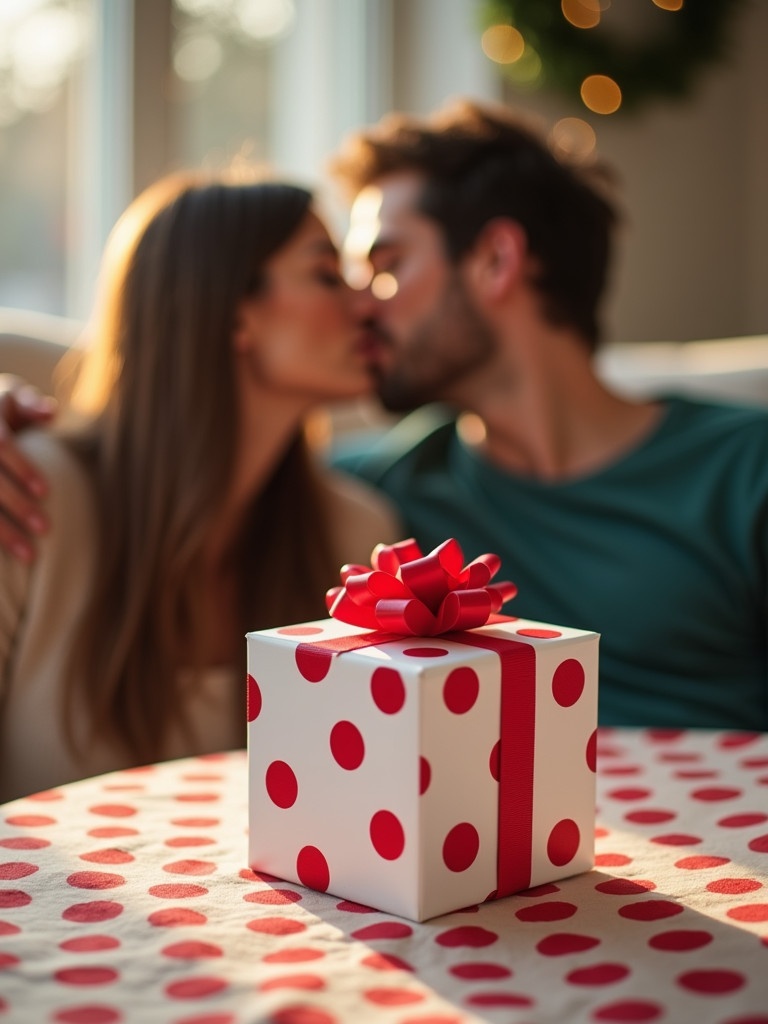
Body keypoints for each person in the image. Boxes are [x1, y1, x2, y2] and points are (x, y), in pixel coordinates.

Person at [4, 99, 768, 732]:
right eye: (341, 272)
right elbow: (182, 468)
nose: (362, 302)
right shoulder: (387, 507)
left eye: (388, 264)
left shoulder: (745, 469)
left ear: (497, 261)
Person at [0, 168, 400, 802]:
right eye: (327, 275)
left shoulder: (357, 536)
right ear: (228, 312)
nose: (367, 303)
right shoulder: (24, 498)